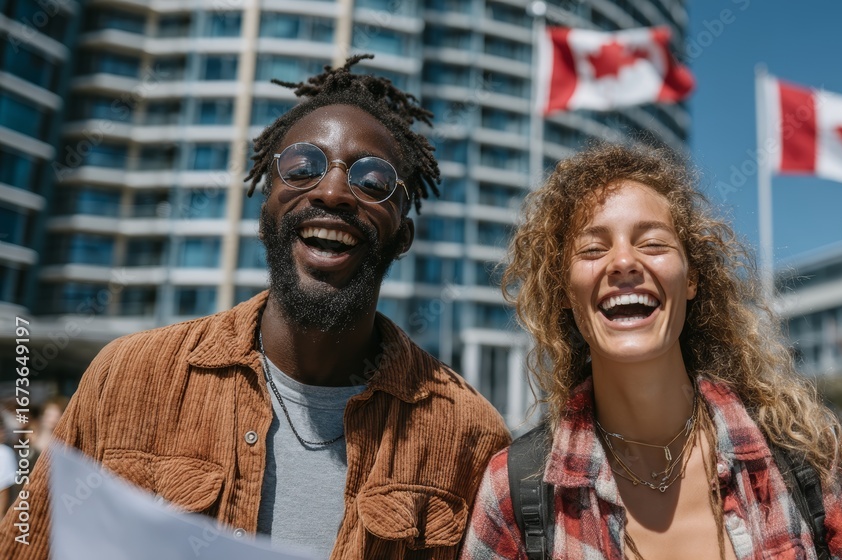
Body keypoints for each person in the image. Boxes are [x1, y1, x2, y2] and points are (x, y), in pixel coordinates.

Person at [0, 55, 510, 559]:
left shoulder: (470, 436)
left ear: (403, 235)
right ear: (267, 205)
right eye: (303, 167)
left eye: (373, 181)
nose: (333, 192)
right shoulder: (128, 377)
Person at [461, 143, 842, 559]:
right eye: (593, 249)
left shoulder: (803, 457)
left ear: (691, 279)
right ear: (564, 293)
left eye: (653, 243)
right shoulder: (512, 494)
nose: (623, 262)